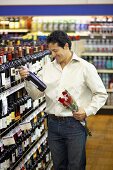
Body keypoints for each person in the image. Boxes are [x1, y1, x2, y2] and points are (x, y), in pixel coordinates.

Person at [19, 30, 108, 170]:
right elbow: (36, 95)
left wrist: (87, 111)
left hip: (75, 124)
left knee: (75, 166)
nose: (53, 55)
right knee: (59, 165)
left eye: (55, 51)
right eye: (51, 52)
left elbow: (101, 94)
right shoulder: (47, 68)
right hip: (53, 124)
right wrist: (28, 80)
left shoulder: (85, 67)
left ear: (66, 46)